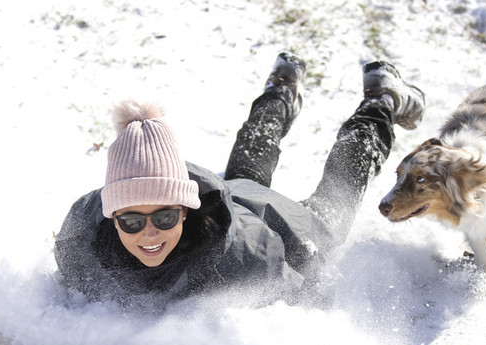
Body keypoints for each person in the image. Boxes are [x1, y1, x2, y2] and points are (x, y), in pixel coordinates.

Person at [54, 52, 424, 309]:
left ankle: (382, 100)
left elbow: (306, 306)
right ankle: (281, 89)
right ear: (112, 217)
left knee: (339, 190)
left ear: (185, 209)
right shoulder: (81, 240)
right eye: (132, 222)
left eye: (164, 217)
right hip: (234, 201)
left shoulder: (246, 258)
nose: (149, 234)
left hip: (289, 230)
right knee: (247, 167)